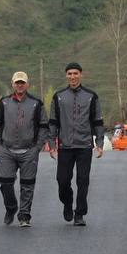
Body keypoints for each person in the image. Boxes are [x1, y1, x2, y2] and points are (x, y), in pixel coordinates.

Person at [47, 62, 104, 226]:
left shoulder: (91, 96)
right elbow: (53, 122)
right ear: (66, 76)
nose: (73, 76)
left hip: (85, 145)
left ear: (81, 75)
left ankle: (79, 213)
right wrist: (52, 144)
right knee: (62, 180)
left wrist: (99, 142)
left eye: (76, 73)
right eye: (70, 74)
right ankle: (67, 203)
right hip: (65, 146)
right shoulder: (58, 96)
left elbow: (98, 120)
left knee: (83, 180)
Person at [0, 71, 49, 228]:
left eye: (22, 82)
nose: (20, 85)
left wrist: (38, 147)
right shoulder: (3, 102)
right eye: (17, 82)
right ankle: (11, 207)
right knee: (5, 182)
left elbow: (44, 126)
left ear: (27, 84)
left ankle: (24, 215)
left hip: (29, 150)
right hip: (7, 150)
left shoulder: (36, 103)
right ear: (12, 84)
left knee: (27, 185)